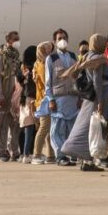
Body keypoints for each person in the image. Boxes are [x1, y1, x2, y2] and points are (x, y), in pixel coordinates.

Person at [60, 34, 108, 171]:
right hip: (97, 98)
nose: (106, 45)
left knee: (85, 125)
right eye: (104, 43)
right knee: (90, 129)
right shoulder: (97, 59)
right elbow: (97, 81)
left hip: (89, 99)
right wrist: (100, 101)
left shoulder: (87, 56)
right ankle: (87, 161)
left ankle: (84, 160)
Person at [45, 33, 79, 166]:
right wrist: (51, 99)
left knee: (71, 128)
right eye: (59, 38)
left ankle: (69, 154)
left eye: (65, 38)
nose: (63, 40)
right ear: (55, 41)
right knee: (57, 129)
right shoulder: (51, 58)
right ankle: (60, 156)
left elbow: (78, 77)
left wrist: (80, 97)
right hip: (58, 98)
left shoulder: (73, 56)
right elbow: (48, 82)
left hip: (73, 97)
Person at [0, 31, 21, 162]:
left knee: (14, 124)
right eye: (15, 39)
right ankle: (0, 150)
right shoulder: (1, 57)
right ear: (8, 40)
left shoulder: (15, 56)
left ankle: (14, 150)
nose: (17, 41)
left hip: (13, 95)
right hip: (3, 93)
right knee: (1, 123)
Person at [32, 41, 55, 165]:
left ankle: (50, 155)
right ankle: (36, 154)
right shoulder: (42, 64)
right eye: (45, 49)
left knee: (50, 129)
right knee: (44, 128)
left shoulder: (41, 63)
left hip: (45, 99)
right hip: (44, 100)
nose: (48, 51)